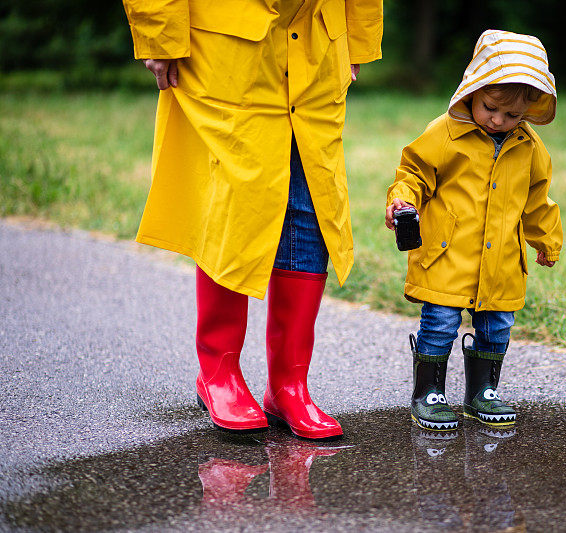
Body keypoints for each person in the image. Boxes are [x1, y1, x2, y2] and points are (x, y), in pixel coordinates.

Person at [122, 0, 383, 439]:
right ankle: (218, 374)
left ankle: (289, 386)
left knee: (311, 205)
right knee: (237, 204)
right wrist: (159, 32)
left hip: (316, 42)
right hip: (228, 48)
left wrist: (358, 35)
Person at [385, 30, 562, 431]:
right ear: (474, 89)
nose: (498, 120)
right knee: (441, 323)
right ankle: (428, 392)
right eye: (490, 108)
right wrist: (402, 199)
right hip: (447, 254)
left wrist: (547, 240)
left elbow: (538, 201)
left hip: (501, 261)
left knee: (497, 325)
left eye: (512, 115)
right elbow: (414, 172)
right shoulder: (445, 133)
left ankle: (483, 390)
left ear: (529, 112)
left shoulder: (530, 149)